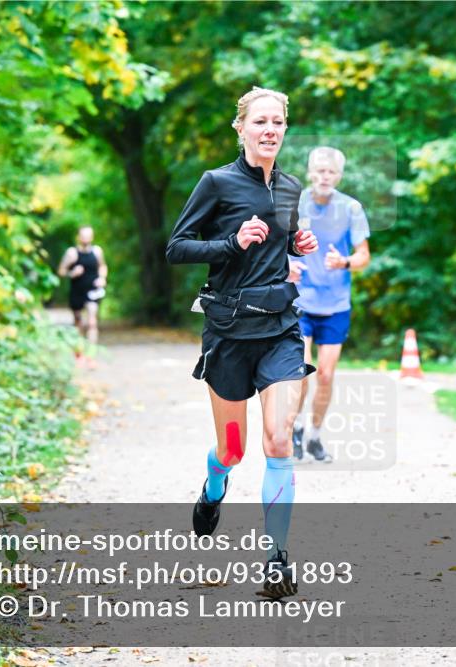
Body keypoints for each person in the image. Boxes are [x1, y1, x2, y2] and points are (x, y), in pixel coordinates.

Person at [165, 87, 318, 599]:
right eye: (260, 122)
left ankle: (277, 559)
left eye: (278, 122)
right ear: (241, 128)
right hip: (230, 331)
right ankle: (214, 487)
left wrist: (299, 242)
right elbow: (177, 247)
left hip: (279, 328)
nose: (270, 130)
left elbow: (285, 243)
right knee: (233, 450)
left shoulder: (292, 188)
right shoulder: (217, 183)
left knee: (278, 440)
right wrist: (231, 244)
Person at [288, 147, 371, 463]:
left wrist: (346, 261)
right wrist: (288, 264)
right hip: (301, 300)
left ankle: (314, 436)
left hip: (335, 304)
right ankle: (295, 427)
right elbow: (277, 243)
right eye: (319, 171)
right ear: (310, 172)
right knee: (300, 372)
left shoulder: (350, 208)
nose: (325, 177)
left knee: (325, 374)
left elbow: (364, 255)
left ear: (339, 176)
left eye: (331, 172)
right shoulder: (296, 203)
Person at [57, 226, 108, 348]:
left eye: (88, 235)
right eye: (83, 235)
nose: (86, 238)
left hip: (93, 291)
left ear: (92, 237)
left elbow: (103, 266)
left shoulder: (97, 251)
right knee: (78, 322)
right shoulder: (72, 253)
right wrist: (72, 273)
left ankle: (91, 353)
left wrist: (102, 278)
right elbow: (61, 271)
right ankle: (80, 352)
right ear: (79, 237)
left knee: (92, 321)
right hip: (77, 291)